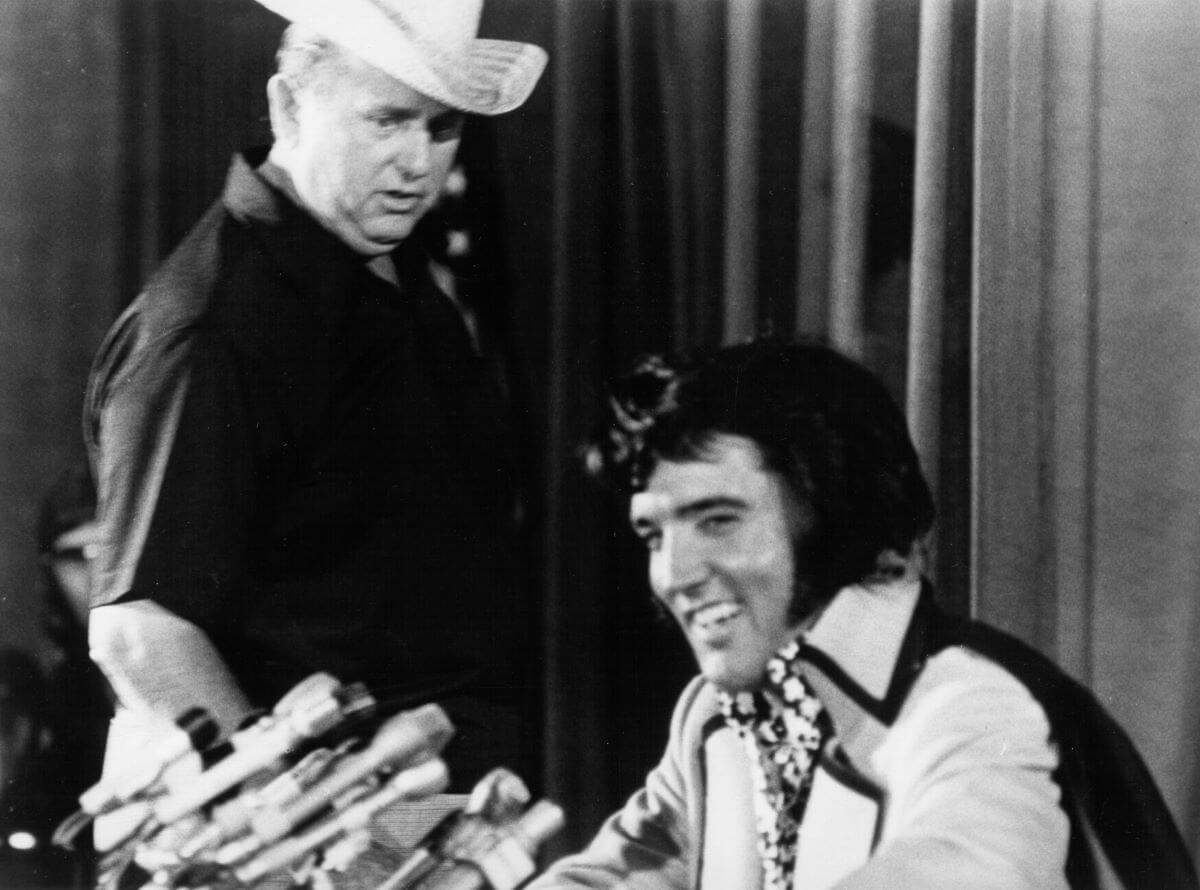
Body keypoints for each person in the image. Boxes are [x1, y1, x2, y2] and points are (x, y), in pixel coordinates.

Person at [83, 0, 547, 848]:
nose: (421, 165)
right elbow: (141, 632)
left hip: (437, 810)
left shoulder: (393, 277)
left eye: (443, 129)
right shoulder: (217, 325)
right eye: (387, 121)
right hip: (300, 841)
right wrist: (317, 840)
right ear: (289, 105)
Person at [530, 339, 1198, 890]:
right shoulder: (717, 718)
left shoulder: (974, 706)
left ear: (828, 509)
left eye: (718, 520)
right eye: (654, 535)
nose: (674, 576)